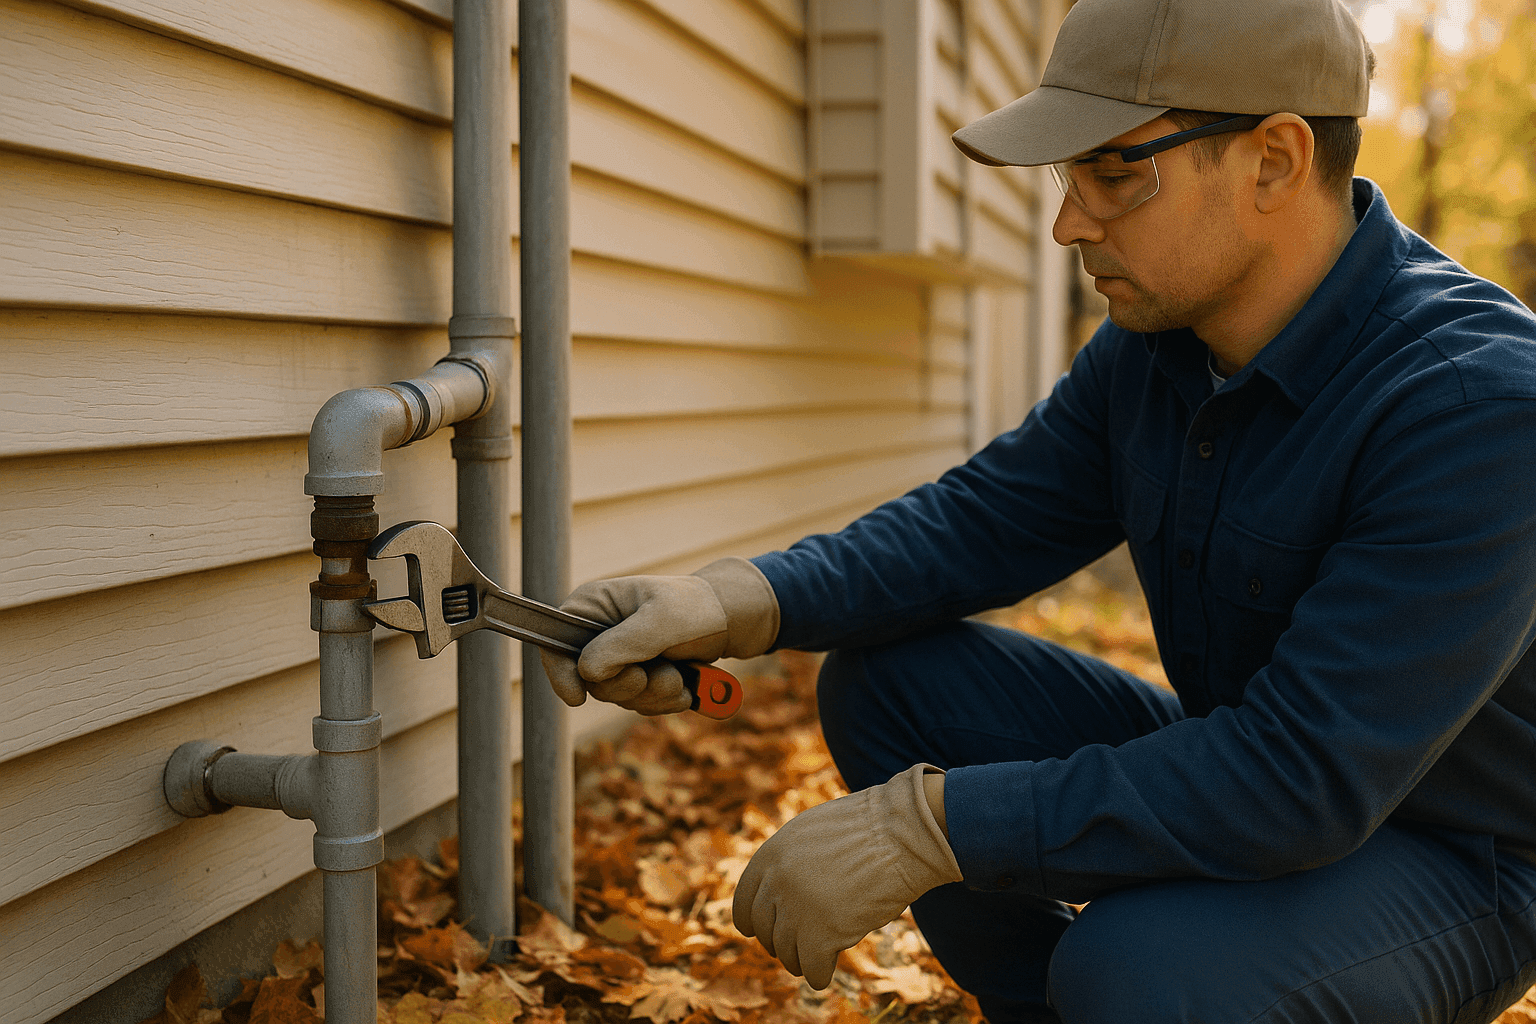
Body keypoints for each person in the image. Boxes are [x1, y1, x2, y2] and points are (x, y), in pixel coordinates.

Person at [539, 0, 1536, 1020]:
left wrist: (926, 827)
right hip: (1257, 768)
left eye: (1114, 172)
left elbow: (1302, 773)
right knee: (894, 683)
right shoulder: (1159, 346)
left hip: (1458, 860)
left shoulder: (1477, 404)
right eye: (1071, 177)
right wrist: (725, 602)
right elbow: (978, 522)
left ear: (1273, 160)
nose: (1069, 224)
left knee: (1141, 968)